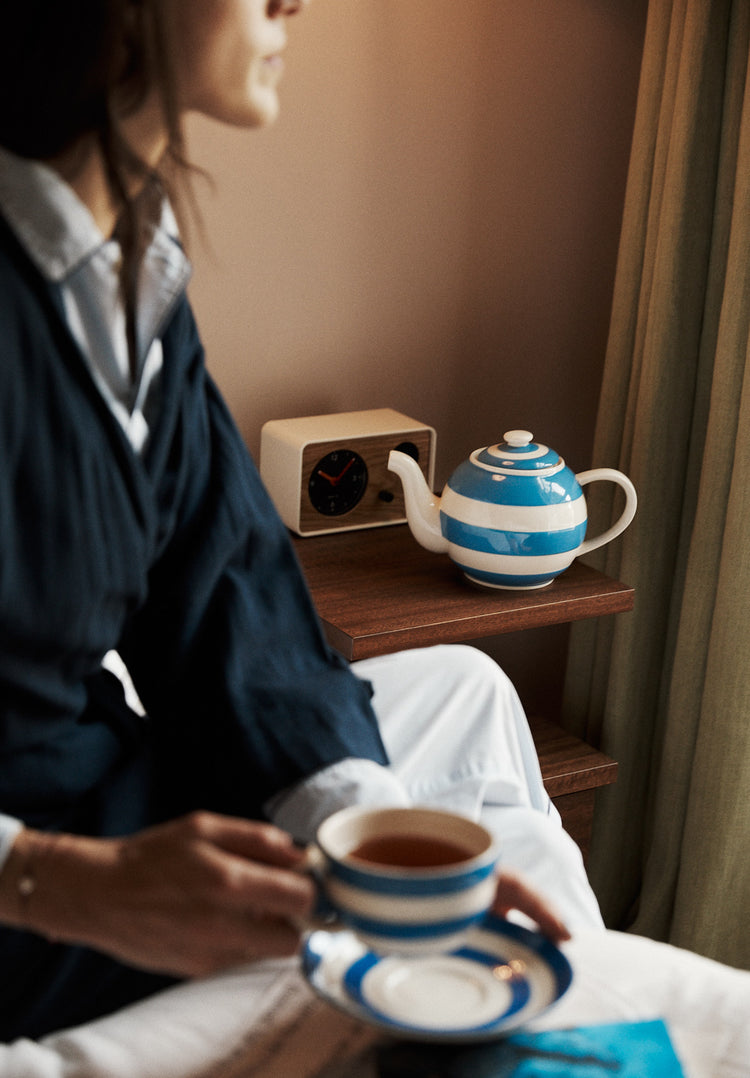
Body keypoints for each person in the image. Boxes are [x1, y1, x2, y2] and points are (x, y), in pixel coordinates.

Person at [0, 0, 603, 1046]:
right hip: (32, 882)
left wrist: (367, 836)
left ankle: (572, 1022)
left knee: (465, 690)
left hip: (81, 794)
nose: (292, 2)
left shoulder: (127, 268)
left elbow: (228, 584)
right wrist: (62, 881)